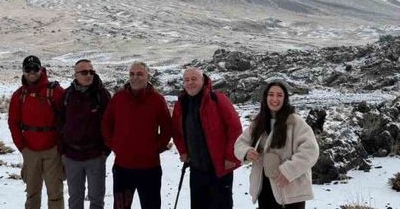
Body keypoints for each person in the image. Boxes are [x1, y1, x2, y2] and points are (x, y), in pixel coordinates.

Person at [234, 81, 319, 209]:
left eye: (279, 95)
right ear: (265, 97)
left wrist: (288, 171)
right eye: (271, 94)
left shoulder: (295, 121)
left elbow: (311, 151)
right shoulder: (259, 122)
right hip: (264, 188)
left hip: (290, 188)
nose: (274, 99)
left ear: (285, 99)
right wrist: (246, 152)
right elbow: (240, 143)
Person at [102, 61, 172, 209]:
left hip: (149, 168)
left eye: (139, 74)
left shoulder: (157, 99)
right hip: (123, 168)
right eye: (132, 74)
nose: (135, 77)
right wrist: (114, 145)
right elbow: (106, 123)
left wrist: (155, 148)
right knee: (121, 206)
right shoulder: (119, 98)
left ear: (148, 76)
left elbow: (167, 128)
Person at [172, 67, 242, 209]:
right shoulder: (181, 103)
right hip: (196, 168)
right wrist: (183, 152)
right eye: (186, 80)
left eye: (194, 79)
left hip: (219, 167)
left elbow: (235, 128)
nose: (190, 83)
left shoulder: (217, 99)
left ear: (203, 80)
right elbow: (177, 131)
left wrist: (231, 157)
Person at [8, 55, 66, 209]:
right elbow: (13, 123)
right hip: (30, 151)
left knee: (55, 194)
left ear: (41, 70)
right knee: (32, 194)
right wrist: (22, 148)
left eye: (35, 68)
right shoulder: (19, 95)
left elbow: (67, 119)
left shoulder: (55, 91)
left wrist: (61, 146)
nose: (32, 72)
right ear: (23, 71)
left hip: (53, 150)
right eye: (28, 69)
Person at [61, 59, 112, 209]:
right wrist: (63, 150)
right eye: (84, 72)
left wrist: (105, 150)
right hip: (72, 156)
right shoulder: (67, 95)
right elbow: (60, 122)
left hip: (95, 156)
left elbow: (110, 123)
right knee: (75, 199)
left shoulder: (102, 95)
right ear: (75, 74)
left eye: (91, 72)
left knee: (96, 199)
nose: (88, 75)